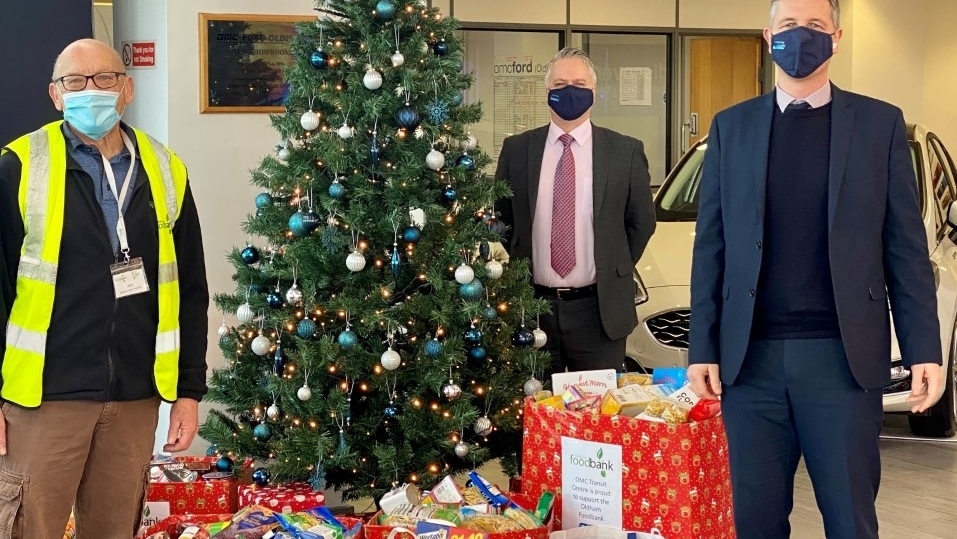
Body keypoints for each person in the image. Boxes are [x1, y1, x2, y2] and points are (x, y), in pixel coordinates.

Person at [687, 1, 944, 537]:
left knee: (850, 520)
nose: (800, 37)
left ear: (837, 36)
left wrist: (925, 349)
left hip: (842, 364)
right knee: (755, 522)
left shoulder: (879, 125)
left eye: (814, 27)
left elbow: (905, 249)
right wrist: (702, 349)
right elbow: (711, 247)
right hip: (749, 366)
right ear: (766, 36)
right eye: (787, 27)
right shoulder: (731, 128)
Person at [0, 39, 209, 538]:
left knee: (115, 529)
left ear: (127, 87)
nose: (90, 90)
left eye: (104, 78)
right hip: (43, 399)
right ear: (55, 94)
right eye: (75, 81)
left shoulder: (165, 168)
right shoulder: (20, 166)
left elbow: (191, 287)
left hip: (135, 398)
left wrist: (188, 391)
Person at [496, 47, 656, 374]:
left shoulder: (625, 151)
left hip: (599, 311)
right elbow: (503, 218)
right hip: (534, 308)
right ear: (547, 92)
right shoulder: (517, 150)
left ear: (594, 92)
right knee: (537, 415)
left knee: (595, 417)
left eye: (579, 83)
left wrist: (613, 266)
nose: (569, 90)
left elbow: (641, 222)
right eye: (560, 84)